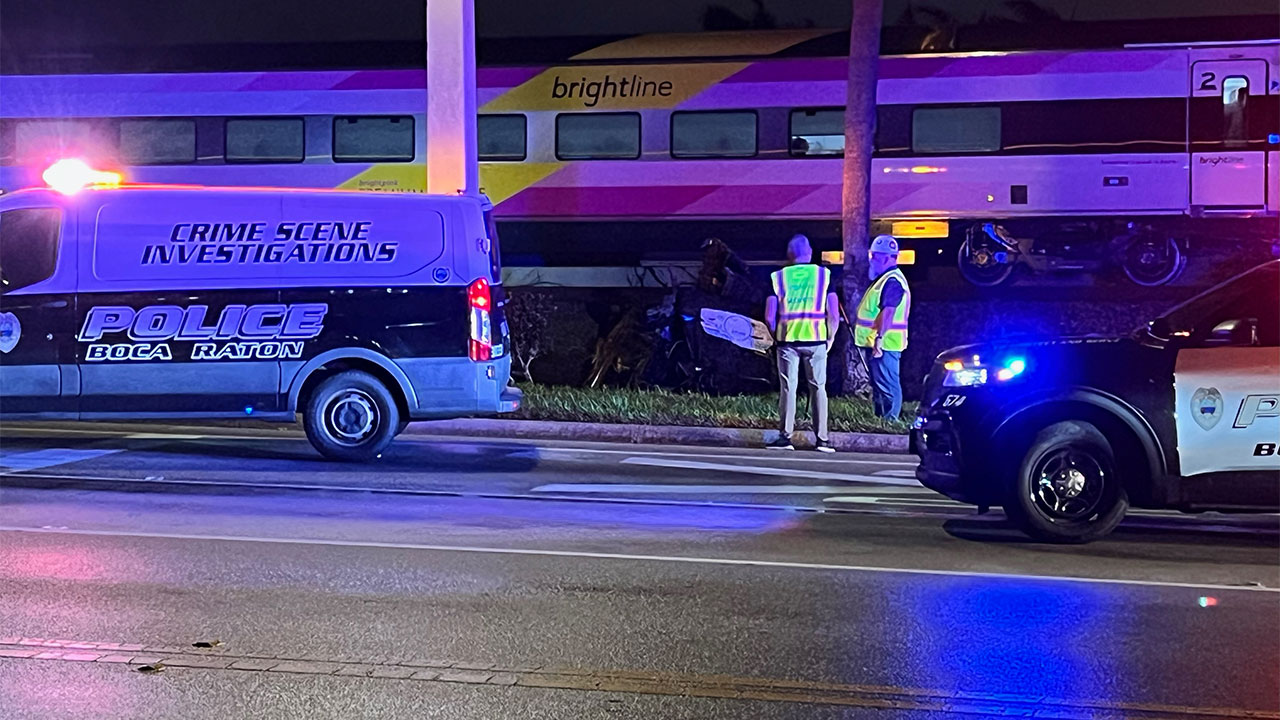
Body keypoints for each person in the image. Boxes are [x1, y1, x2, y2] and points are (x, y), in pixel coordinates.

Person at [765, 234, 840, 452]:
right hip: (817, 341)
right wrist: (831, 337)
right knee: (819, 389)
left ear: (789, 255)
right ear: (809, 253)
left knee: (788, 388)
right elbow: (833, 314)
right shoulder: (824, 276)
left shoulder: (777, 278)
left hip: (787, 342)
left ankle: (785, 437)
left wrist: (775, 335)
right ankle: (822, 440)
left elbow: (770, 316)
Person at [854, 234, 912, 421]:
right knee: (881, 385)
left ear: (887, 258)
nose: (871, 260)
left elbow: (888, 312)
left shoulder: (892, 281)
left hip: (886, 343)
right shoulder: (887, 279)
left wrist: (879, 339)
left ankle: (890, 420)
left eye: (875, 257)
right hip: (881, 343)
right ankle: (882, 419)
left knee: (888, 385)